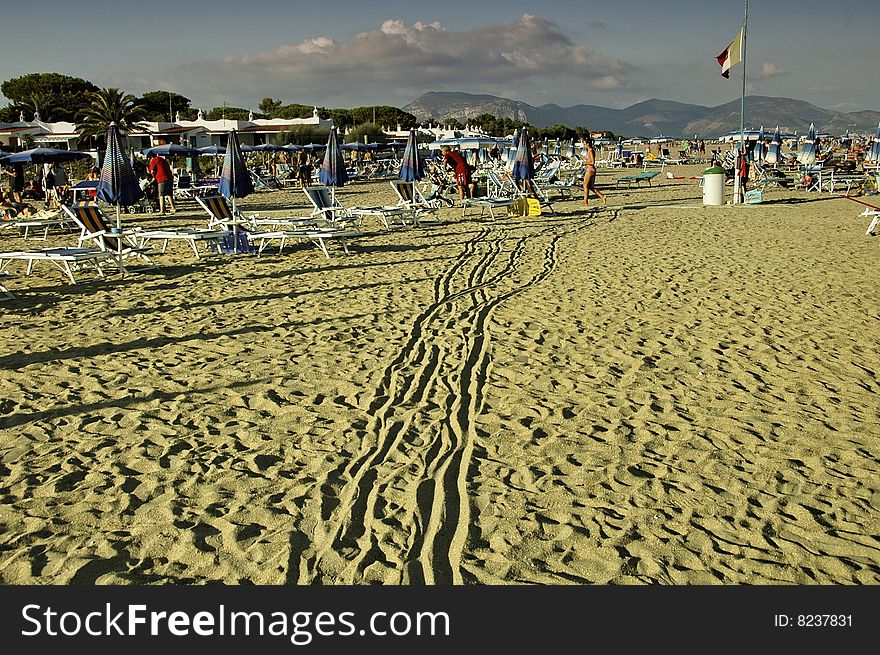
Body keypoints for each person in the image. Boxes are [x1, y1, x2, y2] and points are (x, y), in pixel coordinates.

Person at [581, 136, 607, 208]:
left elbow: (592, 162)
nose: (584, 145)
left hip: (590, 170)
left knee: (585, 186)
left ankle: (585, 203)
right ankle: (602, 196)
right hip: (590, 170)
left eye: (584, 144)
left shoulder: (590, 150)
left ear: (588, 144)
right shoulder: (589, 150)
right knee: (590, 187)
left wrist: (585, 163)